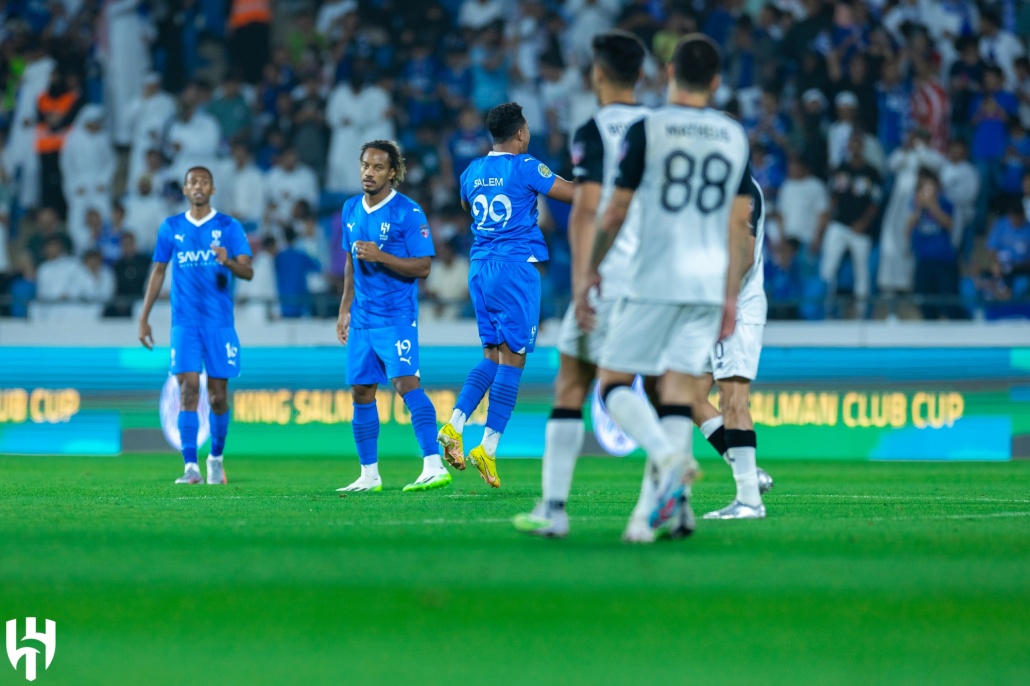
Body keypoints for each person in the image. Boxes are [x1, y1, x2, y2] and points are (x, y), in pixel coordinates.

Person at [589, 35, 754, 543]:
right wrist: (730, 296)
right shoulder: (734, 136)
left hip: (656, 275)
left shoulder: (649, 127)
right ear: (717, 82)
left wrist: (592, 266)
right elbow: (741, 223)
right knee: (679, 395)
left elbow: (615, 211)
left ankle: (666, 456)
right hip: (708, 285)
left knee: (614, 382)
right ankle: (669, 511)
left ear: (668, 73)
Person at [511, 30, 649, 537]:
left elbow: (588, 209)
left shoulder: (595, 130)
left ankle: (556, 508)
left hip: (611, 274)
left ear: (598, 73)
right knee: (664, 390)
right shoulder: (664, 127)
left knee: (575, 384)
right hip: (661, 280)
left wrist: (583, 277)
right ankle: (668, 500)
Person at [435, 103, 574, 490]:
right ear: (521, 133)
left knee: (492, 357)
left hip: (480, 267)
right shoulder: (525, 165)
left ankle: (456, 424)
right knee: (513, 361)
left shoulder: (471, 171)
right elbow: (570, 194)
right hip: (515, 269)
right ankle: (488, 448)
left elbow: (467, 207)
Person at [335, 141, 447, 493]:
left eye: (378, 167)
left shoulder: (408, 212)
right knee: (361, 391)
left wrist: (382, 256)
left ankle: (433, 464)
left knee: (406, 385)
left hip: (396, 317)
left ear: (392, 172)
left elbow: (425, 267)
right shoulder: (350, 208)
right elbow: (351, 262)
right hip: (363, 319)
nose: (369, 172)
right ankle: (369, 475)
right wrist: (344, 308)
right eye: (365, 165)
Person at [138, 167, 254, 485]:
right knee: (188, 390)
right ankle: (191, 467)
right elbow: (159, 272)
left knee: (217, 396)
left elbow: (248, 272)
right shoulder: (171, 227)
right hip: (185, 324)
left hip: (219, 325)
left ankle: (215, 458)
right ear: (186, 190)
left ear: (212, 189)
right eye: (192, 182)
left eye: (204, 182)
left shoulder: (229, 226)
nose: (198, 187)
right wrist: (144, 317)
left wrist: (228, 261)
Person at [814, 131, 883, 318]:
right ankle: (827, 311)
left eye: (857, 144)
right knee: (828, 268)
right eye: (851, 144)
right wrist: (823, 228)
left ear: (862, 147)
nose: (854, 148)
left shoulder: (872, 172)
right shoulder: (841, 169)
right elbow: (833, 199)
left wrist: (863, 223)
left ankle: (861, 315)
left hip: (861, 230)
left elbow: (875, 203)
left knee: (862, 273)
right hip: (839, 224)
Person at [909, 171, 962, 320]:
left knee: (949, 302)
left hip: (944, 260)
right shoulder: (916, 207)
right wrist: (919, 209)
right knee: (924, 301)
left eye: (930, 188)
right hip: (923, 261)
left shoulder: (946, 204)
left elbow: (949, 225)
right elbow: (907, 230)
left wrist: (932, 206)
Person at [106, 233, 151, 317]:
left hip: (142, 300)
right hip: (123, 303)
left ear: (135, 244)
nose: (127, 247)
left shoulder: (145, 263)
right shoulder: (117, 266)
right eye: (125, 245)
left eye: (129, 244)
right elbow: (116, 287)